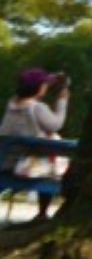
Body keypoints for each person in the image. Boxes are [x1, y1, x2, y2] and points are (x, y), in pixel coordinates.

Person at [2, 69, 70, 221]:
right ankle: (42, 213)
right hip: (27, 165)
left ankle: (42, 214)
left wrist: (54, 83)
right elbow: (55, 125)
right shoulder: (37, 108)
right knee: (55, 166)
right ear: (39, 88)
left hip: (6, 161)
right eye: (45, 84)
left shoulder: (12, 104)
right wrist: (62, 101)